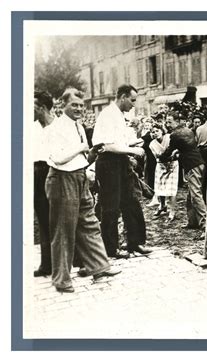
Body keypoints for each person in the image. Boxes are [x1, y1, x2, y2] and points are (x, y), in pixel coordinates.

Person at [45, 88, 120, 293]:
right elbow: (58, 158)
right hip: (62, 179)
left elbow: (82, 156)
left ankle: (99, 266)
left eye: (80, 105)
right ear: (63, 105)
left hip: (79, 176)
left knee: (89, 223)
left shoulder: (77, 125)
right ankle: (62, 280)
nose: (79, 108)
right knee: (64, 230)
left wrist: (92, 154)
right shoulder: (55, 128)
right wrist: (81, 147)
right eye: (74, 105)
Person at [93, 84, 152, 258]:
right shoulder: (107, 115)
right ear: (123, 97)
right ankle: (111, 248)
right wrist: (133, 151)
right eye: (132, 100)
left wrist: (135, 143)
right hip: (108, 163)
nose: (133, 105)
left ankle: (135, 243)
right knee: (110, 206)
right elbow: (108, 145)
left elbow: (120, 142)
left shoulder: (119, 115)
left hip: (120, 161)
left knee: (132, 202)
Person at [160, 112, 207, 230]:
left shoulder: (175, 134)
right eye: (166, 121)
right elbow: (186, 148)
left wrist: (161, 158)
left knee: (195, 195)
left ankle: (205, 224)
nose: (167, 124)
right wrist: (176, 155)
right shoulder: (188, 130)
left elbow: (169, 151)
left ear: (177, 120)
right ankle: (193, 222)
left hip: (192, 165)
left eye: (170, 121)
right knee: (191, 195)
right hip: (199, 163)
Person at [33, 90, 54, 277]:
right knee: (42, 220)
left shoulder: (57, 128)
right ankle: (46, 264)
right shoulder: (32, 128)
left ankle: (73, 260)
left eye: (34, 107)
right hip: (36, 174)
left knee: (58, 219)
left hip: (53, 172)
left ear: (43, 108)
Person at [149, 124, 179, 221]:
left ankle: (172, 211)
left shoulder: (169, 137)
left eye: (157, 131)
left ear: (162, 131)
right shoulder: (152, 144)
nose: (155, 133)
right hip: (161, 166)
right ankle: (162, 206)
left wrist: (173, 156)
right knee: (160, 187)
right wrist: (161, 157)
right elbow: (157, 157)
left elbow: (177, 150)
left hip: (173, 165)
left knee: (171, 189)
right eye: (153, 132)